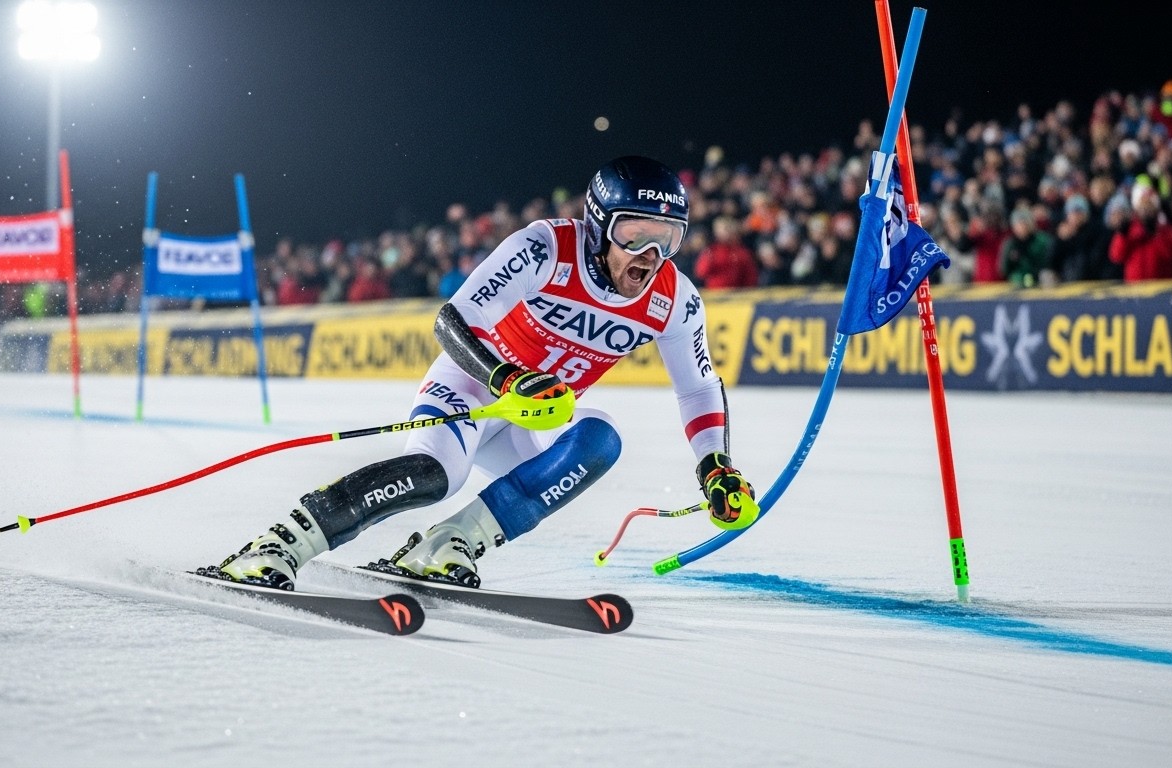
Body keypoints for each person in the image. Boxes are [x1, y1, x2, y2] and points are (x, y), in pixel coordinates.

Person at [197, 156, 757, 590]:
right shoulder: (546, 248)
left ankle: (449, 544)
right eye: (636, 235)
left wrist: (715, 467)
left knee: (600, 439)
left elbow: (700, 386)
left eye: (669, 239)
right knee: (437, 473)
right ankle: (279, 545)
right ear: (599, 226)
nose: (652, 255)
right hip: (475, 390)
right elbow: (454, 320)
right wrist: (507, 379)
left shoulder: (675, 299)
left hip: (535, 419)